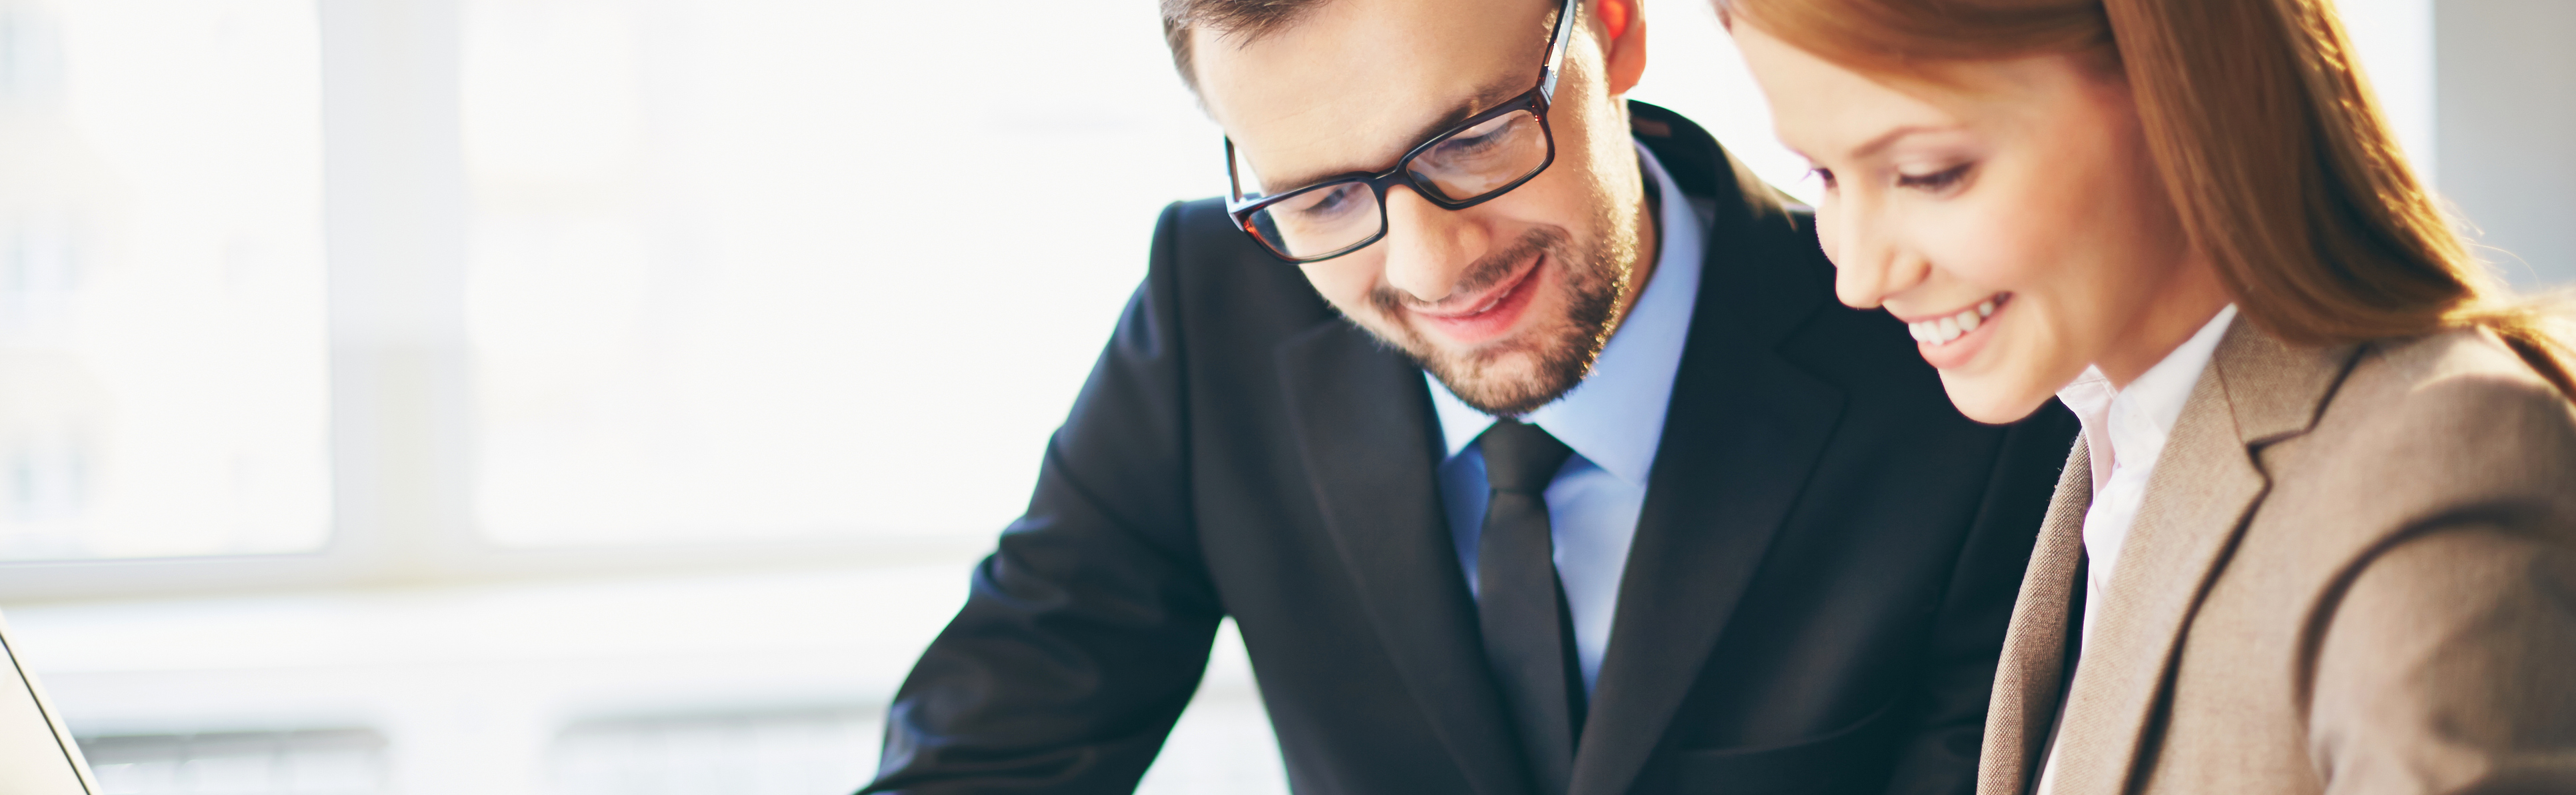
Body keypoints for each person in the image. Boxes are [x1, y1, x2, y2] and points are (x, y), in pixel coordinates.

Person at [862, 0, 2079, 792]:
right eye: (1325, 198)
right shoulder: (1211, 310)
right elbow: (987, 746)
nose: (1432, 266)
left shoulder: (1945, 371)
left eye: (1472, 139)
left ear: (1610, 30)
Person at [1720, 0, 2576, 793]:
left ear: (2175, 87)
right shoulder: (2117, 439)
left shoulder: (2433, 466)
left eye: (1929, 172)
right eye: (1822, 175)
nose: (1860, 278)